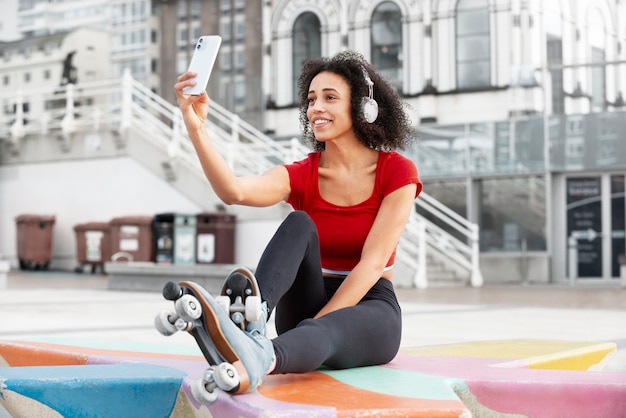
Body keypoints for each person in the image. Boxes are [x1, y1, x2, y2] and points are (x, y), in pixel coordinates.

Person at [174, 50, 422, 393]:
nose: (315, 108)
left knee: (326, 331)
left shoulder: (397, 172)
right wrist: (196, 127)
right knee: (300, 222)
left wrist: (309, 332)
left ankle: (259, 355)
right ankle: (251, 319)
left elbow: (373, 264)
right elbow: (234, 192)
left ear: (363, 107)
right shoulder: (303, 173)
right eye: (311, 99)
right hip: (307, 296)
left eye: (330, 98)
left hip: (370, 307)